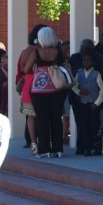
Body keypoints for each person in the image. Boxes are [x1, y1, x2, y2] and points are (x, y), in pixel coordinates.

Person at [23, 27, 69, 158]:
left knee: (42, 119)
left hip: (39, 89)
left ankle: (44, 149)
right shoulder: (58, 52)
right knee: (56, 118)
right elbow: (61, 66)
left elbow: (26, 70)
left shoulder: (36, 53)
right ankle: (58, 148)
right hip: (56, 88)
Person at [18, 25, 46, 155]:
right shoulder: (42, 50)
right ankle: (43, 144)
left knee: (31, 116)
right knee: (42, 116)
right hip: (41, 84)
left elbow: (23, 68)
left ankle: (33, 145)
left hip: (29, 83)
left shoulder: (26, 50)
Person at [75, 52, 103, 156]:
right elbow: (74, 86)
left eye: (88, 60)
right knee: (84, 125)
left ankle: (95, 147)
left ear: (92, 62)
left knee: (94, 125)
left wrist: (97, 102)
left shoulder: (97, 74)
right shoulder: (79, 73)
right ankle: (86, 147)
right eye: (84, 60)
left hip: (93, 103)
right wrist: (79, 92)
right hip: (83, 102)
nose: (86, 62)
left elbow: (102, 89)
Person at [0, 49, 8, 116]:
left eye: (4, 59)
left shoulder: (7, 68)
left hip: (5, 91)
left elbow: (9, 77)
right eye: (1, 59)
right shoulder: (0, 68)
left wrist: (2, 69)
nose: (2, 61)